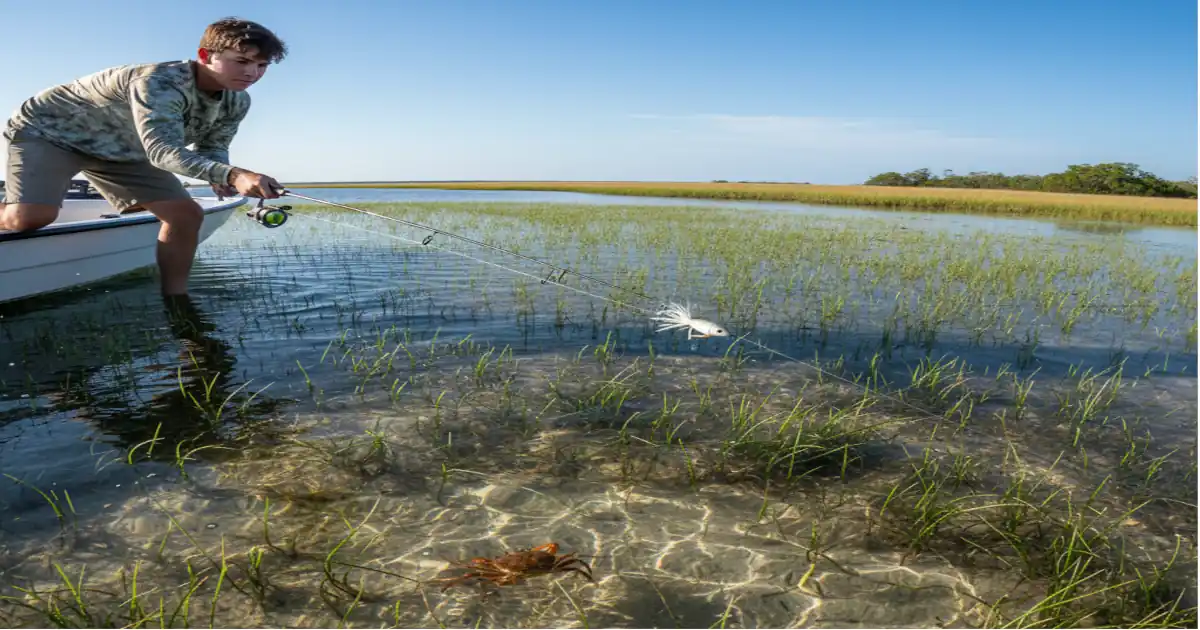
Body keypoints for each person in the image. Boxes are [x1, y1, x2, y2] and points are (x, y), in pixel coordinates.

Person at [0, 17, 287, 296]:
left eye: (262, 65)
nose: (253, 73)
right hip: (51, 132)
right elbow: (163, 152)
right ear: (204, 55)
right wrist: (234, 175)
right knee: (29, 218)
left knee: (185, 215)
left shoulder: (238, 100)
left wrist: (221, 174)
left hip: (123, 148)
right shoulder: (159, 83)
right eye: (242, 61)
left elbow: (212, 146)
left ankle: (177, 302)